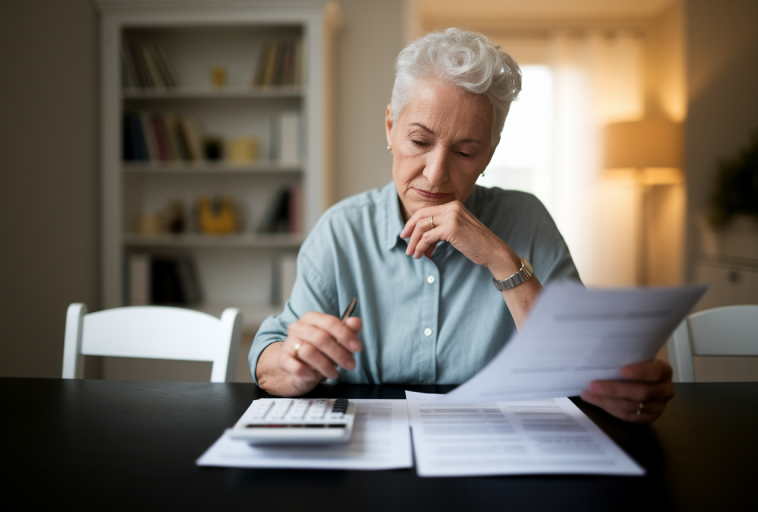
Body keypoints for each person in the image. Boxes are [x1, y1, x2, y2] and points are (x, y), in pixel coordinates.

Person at [250, 28, 674, 423]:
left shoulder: (527, 220)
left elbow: (579, 366)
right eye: (419, 142)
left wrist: (499, 257)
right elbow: (269, 356)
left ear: (489, 154)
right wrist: (293, 362)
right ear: (390, 127)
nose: (435, 174)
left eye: (466, 152)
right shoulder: (341, 231)